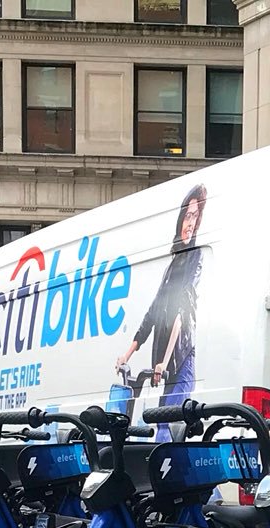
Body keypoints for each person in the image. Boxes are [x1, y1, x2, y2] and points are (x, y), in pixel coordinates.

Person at [116, 183, 208, 441]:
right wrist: (126, 354)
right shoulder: (172, 265)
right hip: (167, 367)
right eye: (188, 216)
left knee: (166, 428)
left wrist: (164, 362)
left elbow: (180, 313)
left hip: (181, 362)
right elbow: (153, 314)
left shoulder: (195, 257)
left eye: (196, 217)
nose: (191, 223)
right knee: (163, 427)